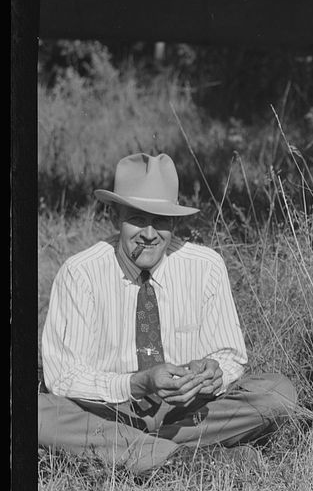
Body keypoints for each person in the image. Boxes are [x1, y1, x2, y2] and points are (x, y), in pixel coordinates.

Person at [38, 152, 299, 474]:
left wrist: (214, 373)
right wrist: (137, 383)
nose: (149, 233)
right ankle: (185, 458)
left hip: (186, 413)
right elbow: (62, 378)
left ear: (175, 222)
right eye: (137, 218)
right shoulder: (80, 272)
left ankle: (134, 452)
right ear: (114, 215)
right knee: (33, 411)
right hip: (108, 411)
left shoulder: (205, 266)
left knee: (278, 394)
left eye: (161, 220)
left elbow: (231, 355)